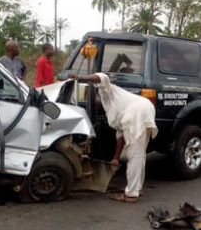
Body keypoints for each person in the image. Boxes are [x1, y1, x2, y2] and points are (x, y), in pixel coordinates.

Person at [67, 72, 157, 202]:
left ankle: (131, 194)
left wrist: (81, 78)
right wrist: (115, 158)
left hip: (137, 112)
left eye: (95, 97)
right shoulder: (112, 108)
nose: (95, 100)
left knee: (134, 155)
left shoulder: (107, 91)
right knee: (139, 153)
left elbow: (102, 77)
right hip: (144, 108)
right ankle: (137, 188)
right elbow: (120, 135)